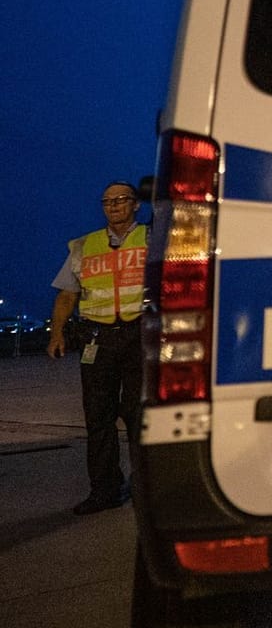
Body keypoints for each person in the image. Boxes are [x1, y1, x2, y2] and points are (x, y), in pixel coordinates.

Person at [48, 181, 148, 514]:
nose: (114, 205)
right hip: (97, 340)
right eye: (107, 201)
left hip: (140, 335)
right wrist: (57, 333)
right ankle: (105, 490)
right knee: (98, 417)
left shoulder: (151, 238)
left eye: (121, 200)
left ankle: (145, 487)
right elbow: (67, 294)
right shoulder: (84, 246)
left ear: (136, 205)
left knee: (139, 415)